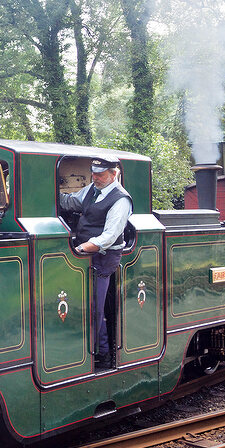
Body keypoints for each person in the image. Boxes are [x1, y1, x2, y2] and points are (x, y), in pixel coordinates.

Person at [57, 157, 133, 369]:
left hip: (103, 258)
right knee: (85, 304)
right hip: (84, 256)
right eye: (94, 173)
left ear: (113, 174)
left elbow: (108, 237)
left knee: (94, 307)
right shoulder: (93, 189)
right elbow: (72, 202)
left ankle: (103, 354)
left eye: (100, 174)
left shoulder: (121, 200)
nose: (95, 177)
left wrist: (79, 249)